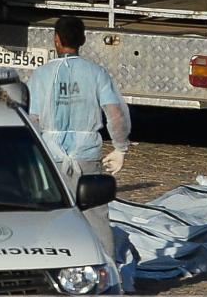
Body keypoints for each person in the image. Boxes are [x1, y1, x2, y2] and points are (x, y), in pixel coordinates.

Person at [28, 16, 131, 258]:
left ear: (56, 40)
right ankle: (106, 270)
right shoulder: (96, 73)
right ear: (83, 40)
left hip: (52, 158)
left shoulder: (41, 75)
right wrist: (120, 147)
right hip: (87, 156)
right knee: (96, 216)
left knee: (52, 217)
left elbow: (32, 118)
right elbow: (115, 114)